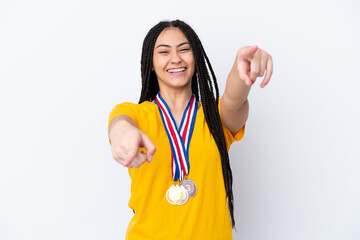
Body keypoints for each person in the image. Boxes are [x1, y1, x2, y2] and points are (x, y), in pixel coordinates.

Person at [107, 20, 273, 240]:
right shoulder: (135, 114)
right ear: (151, 62)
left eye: (184, 49)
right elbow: (119, 124)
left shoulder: (216, 118)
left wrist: (242, 70)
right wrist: (125, 135)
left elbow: (234, 100)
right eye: (164, 52)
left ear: (196, 58)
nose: (175, 58)